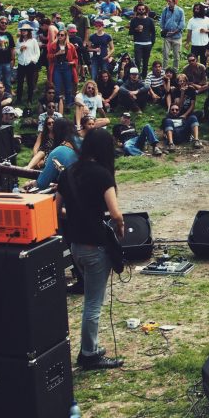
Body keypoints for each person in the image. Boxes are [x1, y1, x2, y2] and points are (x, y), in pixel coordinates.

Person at [55, 128, 124, 371]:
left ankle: (90, 346)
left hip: (75, 246)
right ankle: (89, 354)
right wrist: (120, 227)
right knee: (93, 303)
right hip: (95, 247)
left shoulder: (68, 173)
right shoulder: (103, 175)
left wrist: (76, 214)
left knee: (90, 299)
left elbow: (57, 209)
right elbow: (115, 213)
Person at [48, 29, 78, 111]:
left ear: (65, 36)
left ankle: (68, 105)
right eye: (58, 35)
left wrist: (72, 62)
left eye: (62, 35)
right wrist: (56, 54)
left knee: (68, 88)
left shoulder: (70, 46)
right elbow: (49, 57)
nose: (60, 36)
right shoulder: (53, 45)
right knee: (57, 88)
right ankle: (57, 105)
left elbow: (76, 58)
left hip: (67, 66)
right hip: (57, 66)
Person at [159, 0, 185, 70]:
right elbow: (162, 21)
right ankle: (164, 69)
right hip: (167, 36)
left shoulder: (180, 11)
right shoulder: (165, 10)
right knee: (165, 54)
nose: (168, 3)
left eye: (170, 1)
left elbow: (182, 24)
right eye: (167, 1)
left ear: (174, 1)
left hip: (177, 36)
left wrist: (174, 32)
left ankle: (175, 69)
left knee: (176, 55)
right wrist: (164, 30)